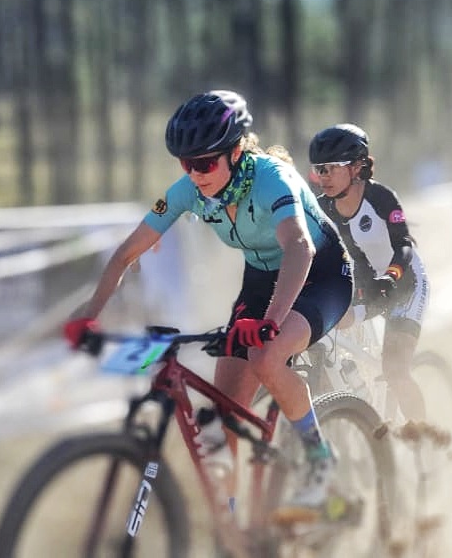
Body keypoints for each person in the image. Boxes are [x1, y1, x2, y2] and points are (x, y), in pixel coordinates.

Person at [63, 90, 352, 510]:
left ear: (235, 152)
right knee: (222, 416)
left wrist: (270, 321)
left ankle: (319, 456)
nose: (195, 174)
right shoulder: (187, 190)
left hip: (320, 272)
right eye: (186, 163)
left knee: (265, 357)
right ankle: (232, 525)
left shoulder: (274, 178)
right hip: (262, 280)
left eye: (204, 162)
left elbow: (300, 249)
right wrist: (90, 315)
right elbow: (127, 252)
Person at [307, 123, 429, 422]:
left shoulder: (381, 199)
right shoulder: (319, 209)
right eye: (319, 169)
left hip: (403, 284)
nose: (323, 177)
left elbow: (403, 246)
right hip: (360, 286)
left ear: (357, 167)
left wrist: (390, 277)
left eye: (331, 168)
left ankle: (426, 438)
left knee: (395, 370)